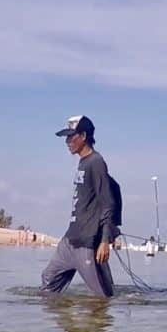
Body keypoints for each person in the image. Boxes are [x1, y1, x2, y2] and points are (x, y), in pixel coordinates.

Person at [41, 115, 120, 298]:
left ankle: (101, 324)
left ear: (83, 136)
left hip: (88, 243)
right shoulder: (83, 162)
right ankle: (62, 324)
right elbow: (114, 186)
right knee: (48, 281)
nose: (67, 141)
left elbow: (108, 200)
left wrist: (105, 239)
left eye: (71, 136)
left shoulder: (96, 162)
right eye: (66, 137)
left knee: (103, 298)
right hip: (70, 240)